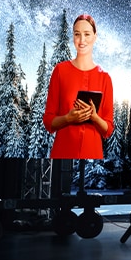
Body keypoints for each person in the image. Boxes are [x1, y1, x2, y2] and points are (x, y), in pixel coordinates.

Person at [43, 14, 114, 194]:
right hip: (63, 150)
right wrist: (68, 118)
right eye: (77, 34)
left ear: (95, 37)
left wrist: (94, 117)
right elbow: (48, 121)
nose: (81, 40)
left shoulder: (105, 77)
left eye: (87, 34)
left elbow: (108, 129)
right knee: (59, 204)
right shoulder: (60, 71)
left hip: (93, 151)